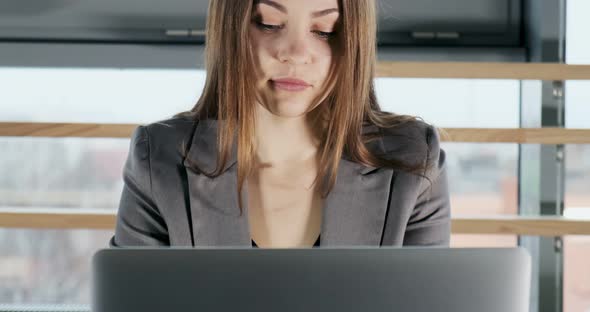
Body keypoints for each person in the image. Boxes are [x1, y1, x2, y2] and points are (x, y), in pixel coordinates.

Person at [109, 0, 451, 249]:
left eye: (324, 30)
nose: (296, 53)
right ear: (232, 29)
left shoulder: (414, 163)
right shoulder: (158, 160)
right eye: (269, 23)